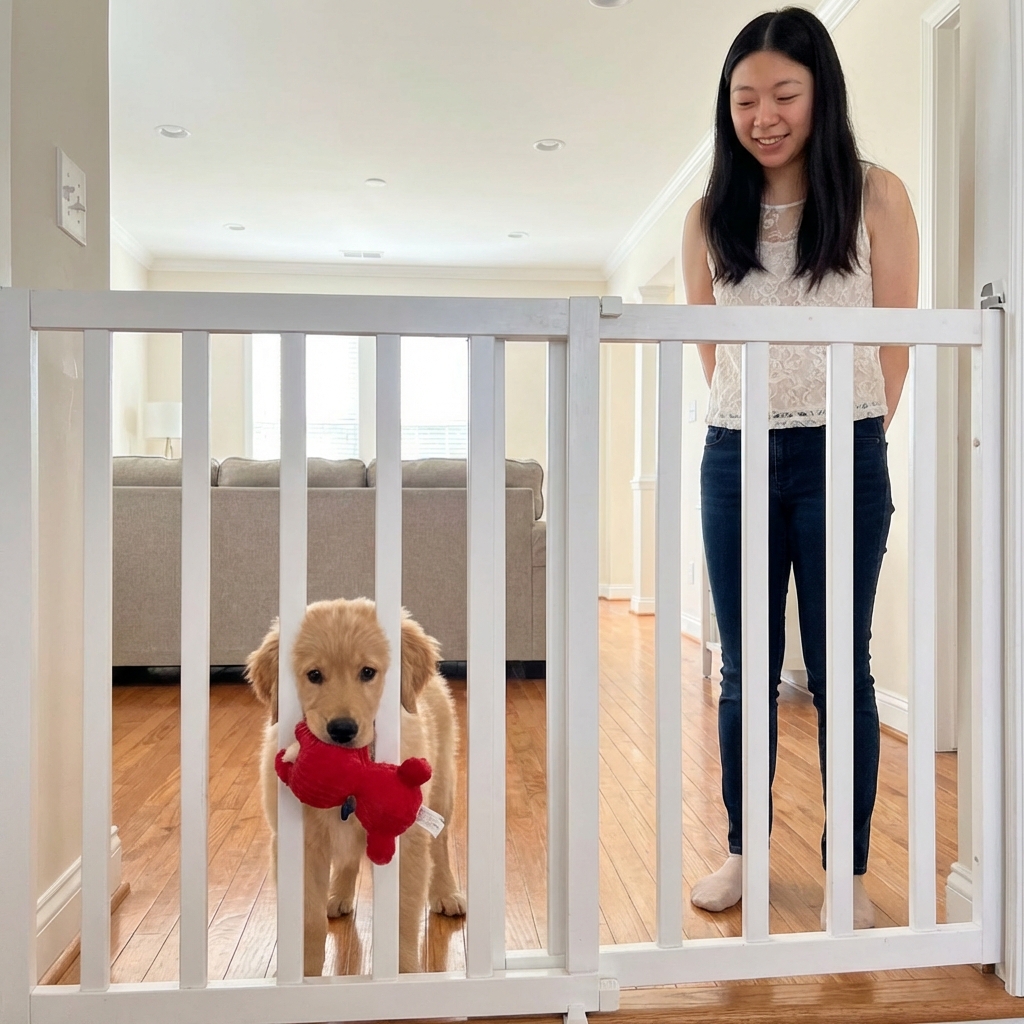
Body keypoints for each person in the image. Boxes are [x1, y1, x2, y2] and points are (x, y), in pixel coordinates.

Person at [681, 6, 918, 929]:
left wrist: (852, 439)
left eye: (784, 93)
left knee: (839, 669)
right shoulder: (708, 215)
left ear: (822, 93)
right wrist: (759, 428)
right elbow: (716, 355)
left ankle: (846, 873)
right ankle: (746, 853)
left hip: (846, 450)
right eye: (745, 98)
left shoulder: (876, 195)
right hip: (734, 452)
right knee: (745, 669)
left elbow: (897, 340)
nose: (764, 114)